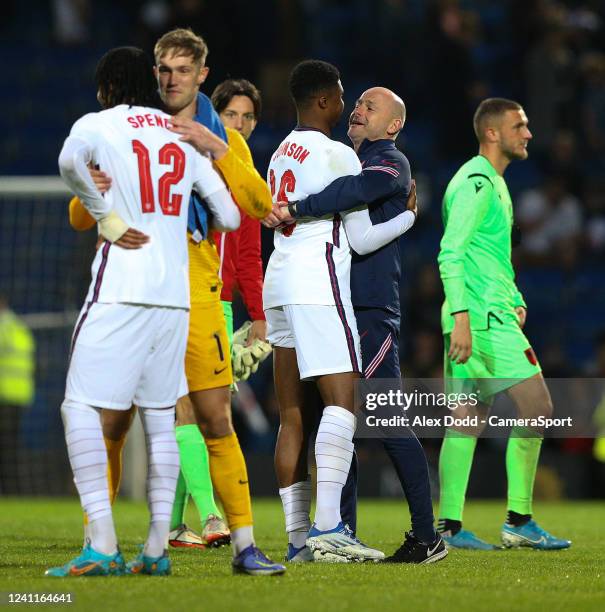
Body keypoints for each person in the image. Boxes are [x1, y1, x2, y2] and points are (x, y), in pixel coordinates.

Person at [69, 29, 284, 575]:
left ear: (200, 76)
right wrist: (94, 192)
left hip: (198, 290)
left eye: (182, 71)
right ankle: (100, 543)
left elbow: (257, 203)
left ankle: (244, 546)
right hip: (139, 286)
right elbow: (78, 216)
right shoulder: (131, 132)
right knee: (113, 423)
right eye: (162, 69)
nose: (170, 79)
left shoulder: (216, 135)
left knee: (215, 418)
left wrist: (219, 152)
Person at [267, 87, 447, 564]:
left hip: (369, 308)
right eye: (359, 102)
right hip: (334, 302)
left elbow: (361, 235)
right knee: (334, 414)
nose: (358, 110)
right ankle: (337, 529)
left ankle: (427, 536)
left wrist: (409, 216)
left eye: (372, 107)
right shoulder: (346, 159)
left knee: (384, 418)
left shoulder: (391, 162)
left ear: (393, 125)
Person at [436, 97, 571, 550]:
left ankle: (449, 528)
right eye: (520, 125)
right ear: (492, 133)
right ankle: (519, 519)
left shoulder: (492, 181)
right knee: (539, 407)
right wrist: (462, 319)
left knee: (466, 422)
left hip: (482, 312)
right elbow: (449, 252)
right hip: (479, 318)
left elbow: (488, 256)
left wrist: (514, 297)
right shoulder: (477, 182)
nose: (528, 133)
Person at [0, 295, 35, 495]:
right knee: (11, 447)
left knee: (5, 448)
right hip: (20, 395)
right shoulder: (19, 327)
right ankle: (14, 491)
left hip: (4, 395)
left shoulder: (2, 328)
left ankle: (10, 491)